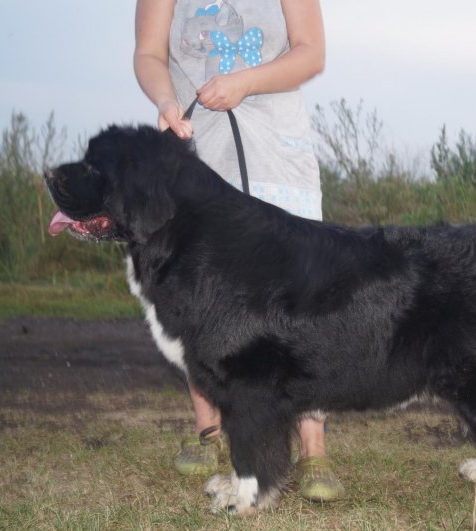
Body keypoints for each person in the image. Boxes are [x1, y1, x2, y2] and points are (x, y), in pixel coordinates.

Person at [133, 0, 343, 502]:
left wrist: (246, 82)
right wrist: (165, 100)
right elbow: (149, 54)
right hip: (198, 153)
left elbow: (311, 53)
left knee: (299, 305)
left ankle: (313, 447)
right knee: (198, 300)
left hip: (277, 154)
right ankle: (209, 430)